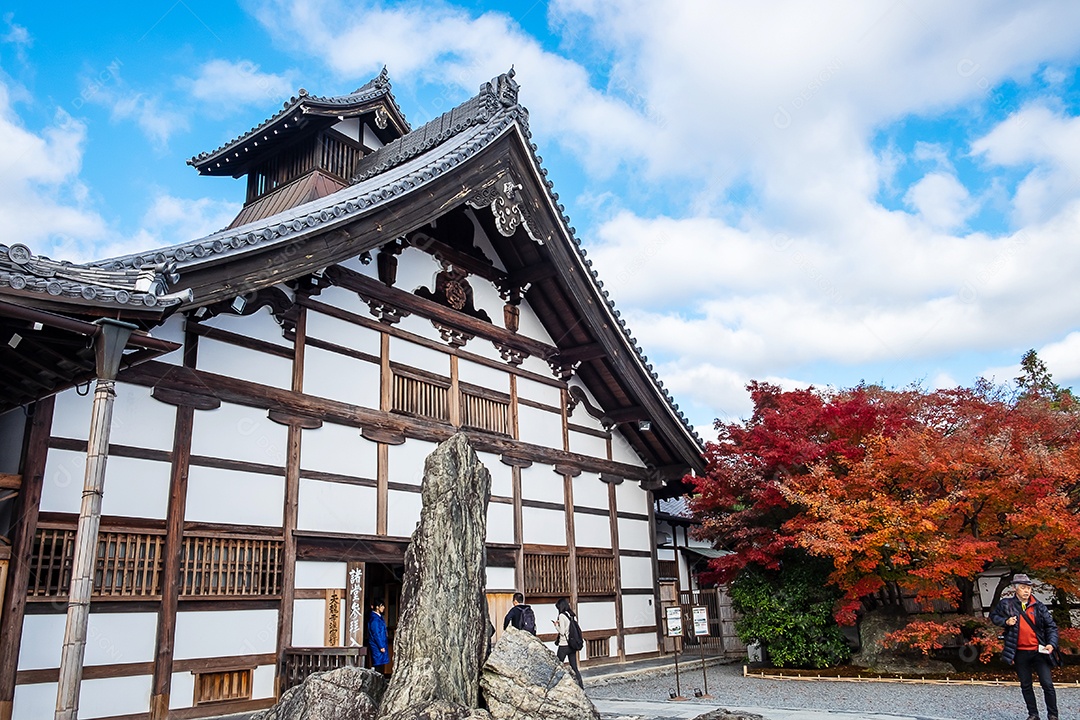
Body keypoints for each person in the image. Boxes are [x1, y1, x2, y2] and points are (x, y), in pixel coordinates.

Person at [990, 573, 1059, 720]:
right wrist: (1006, 622)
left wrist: (1051, 644)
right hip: (1020, 651)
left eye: (1028, 588)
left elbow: (1051, 627)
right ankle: (1033, 714)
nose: (1026, 591)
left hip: (1039, 651)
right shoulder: (1006, 604)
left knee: (1047, 684)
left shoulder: (1038, 606)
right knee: (1026, 685)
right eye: (1023, 588)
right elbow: (993, 617)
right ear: (1016, 589)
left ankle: (1053, 715)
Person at [553, 597, 583, 687]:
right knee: (574, 667)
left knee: (557, 665)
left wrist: (556, 625)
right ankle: (581, 686)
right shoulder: (571, 615)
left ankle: (555, 685)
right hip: (572, 645)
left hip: (564, 645)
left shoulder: (562, 616)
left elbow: (562, 632)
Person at [367, 601, 389, 674]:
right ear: (377, 607)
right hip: (377, 644)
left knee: (381, 663)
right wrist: (381, 646)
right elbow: (376, 633)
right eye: (381, 606)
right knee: (378, 664)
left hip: (381, 643)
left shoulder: (378, 617)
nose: (383, 608)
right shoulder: (374, 619)